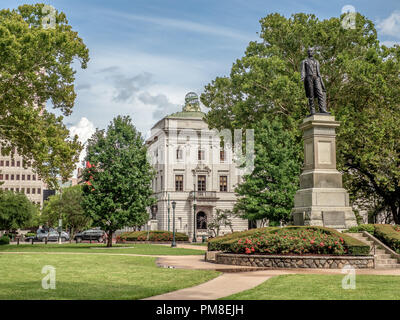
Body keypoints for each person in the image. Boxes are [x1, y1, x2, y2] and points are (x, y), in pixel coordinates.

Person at [300, 48, 330, 115]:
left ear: (313, 52)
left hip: (317, 78)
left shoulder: (317, 61)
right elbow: (302, 71)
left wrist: (320, 80)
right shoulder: (304, 61)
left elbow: (318, 72)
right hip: (309, 78)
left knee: (320, 93)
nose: (310, 52)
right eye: (308, 51)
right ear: (307, 53)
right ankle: (312, 110)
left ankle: (322, 109)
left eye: (311, 51)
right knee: (311, 94)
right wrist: (302, 77)